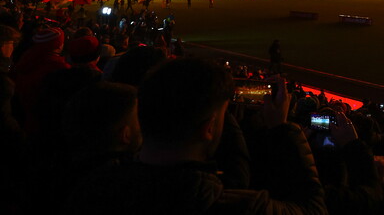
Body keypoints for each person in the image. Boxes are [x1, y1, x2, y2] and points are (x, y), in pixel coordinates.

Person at [64, 58, 327, 214]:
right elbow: (314, 209)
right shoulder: (239, 206)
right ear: (209, 127)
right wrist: (282, 128)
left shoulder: (91, 187)